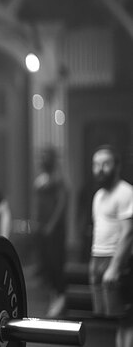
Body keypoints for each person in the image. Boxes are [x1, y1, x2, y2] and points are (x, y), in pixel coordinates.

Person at [88, 145, 133, 347]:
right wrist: (93, 264)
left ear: (117, 166)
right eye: (96, 164)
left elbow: (128, 233)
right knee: (115, 319)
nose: (100, 168)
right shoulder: (98, 195)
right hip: (98, 258)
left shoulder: (126, 192)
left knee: (127, 318)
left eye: (106, 164)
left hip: (118, 261)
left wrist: (115, 267)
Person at [31, 146, 68, 317]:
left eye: (46, 156)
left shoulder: (59, 179)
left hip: (54, 230)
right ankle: (53, 295)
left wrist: (51, 226)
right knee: (45, 264)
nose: (43, 159)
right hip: (41, 228)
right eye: (41, 155)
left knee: (55, 263)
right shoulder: (40, 179)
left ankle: (60, 297)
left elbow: (61, 205)